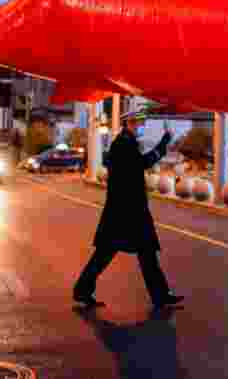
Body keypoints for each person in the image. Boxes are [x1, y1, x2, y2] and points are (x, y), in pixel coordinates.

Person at [74, 106, 183, 308]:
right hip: (126, 212)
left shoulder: (126, 142)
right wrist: (164, 142)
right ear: (130, 123)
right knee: (108, 254)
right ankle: (82, 290)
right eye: (139, 123)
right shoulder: (124, 144)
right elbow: (143, 163)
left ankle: (160, 295)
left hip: (126, 210)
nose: (142, 126)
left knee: (144, 253)